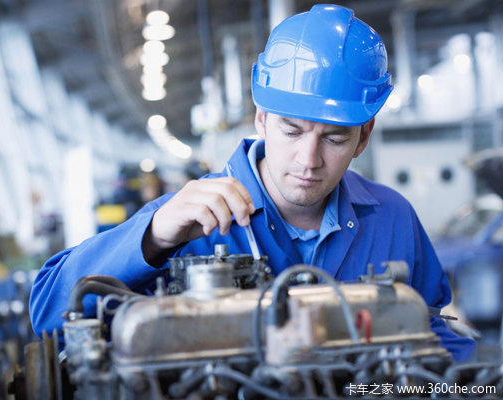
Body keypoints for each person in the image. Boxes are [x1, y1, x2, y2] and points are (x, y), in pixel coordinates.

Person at [30, 4, 475, 361]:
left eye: (335, 138)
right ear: (261, 118)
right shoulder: (187, 223)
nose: (309, 159)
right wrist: (153, 236)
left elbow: (429, 331)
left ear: (364, 137)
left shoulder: (393, 217)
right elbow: (48, 312)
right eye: (292, 130)